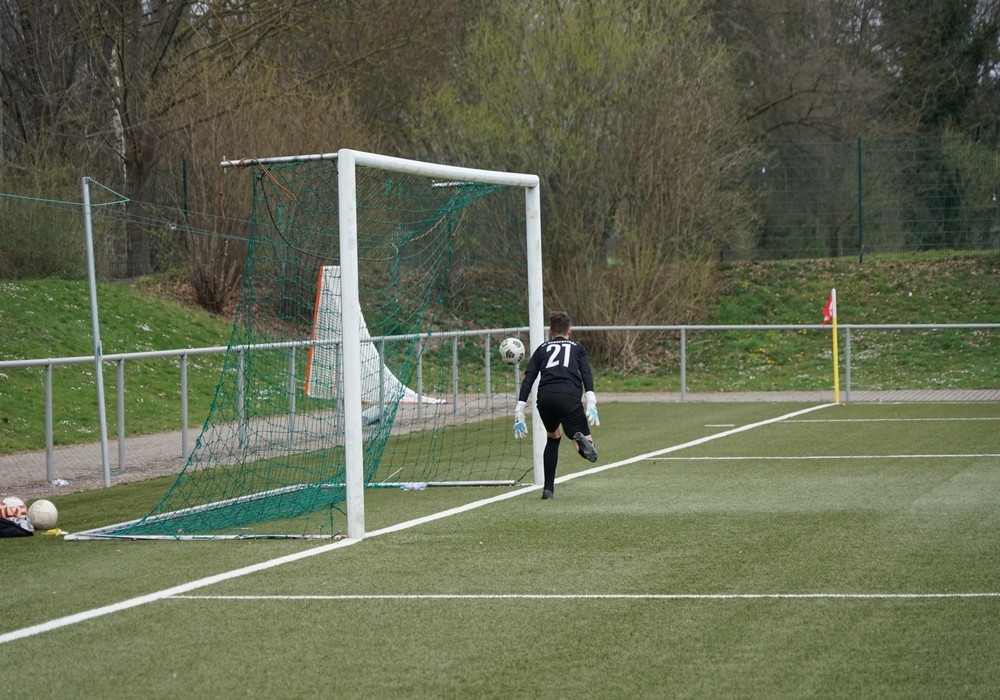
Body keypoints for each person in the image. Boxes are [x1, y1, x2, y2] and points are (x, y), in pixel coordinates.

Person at [513, 311, 599, 500]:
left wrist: (519, 410)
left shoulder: (542, 348)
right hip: (568, 397)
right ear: (570, 330)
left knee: (553, 437)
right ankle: (580, 439)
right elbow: (586, 373)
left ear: (550, 331)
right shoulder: (577, 347)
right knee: (588, 449)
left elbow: (529, 379)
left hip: (545, 399)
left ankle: (548, 490)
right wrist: (591, 401)